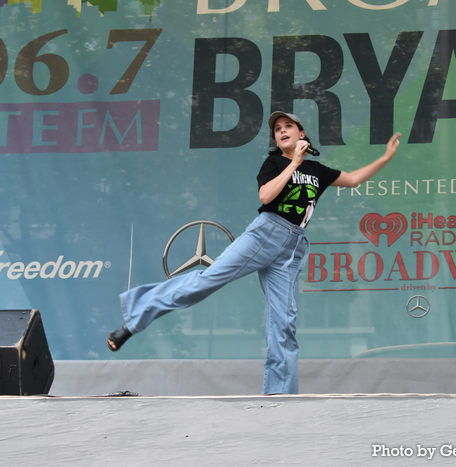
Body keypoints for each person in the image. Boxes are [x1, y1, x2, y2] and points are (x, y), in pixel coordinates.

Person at [107, 111, 401, 394]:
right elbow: (266, 196)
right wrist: (293, 162)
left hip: (292, 248)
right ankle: (134, 319)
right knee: (204, 283)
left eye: (288, 126)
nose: (282, 131)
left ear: (302, 134)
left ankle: (280, 396)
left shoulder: (317, 171)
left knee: (283, 322)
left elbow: (352, 179)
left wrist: (386, 158)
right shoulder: (273, 163)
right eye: (277, 129)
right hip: (266, 233)